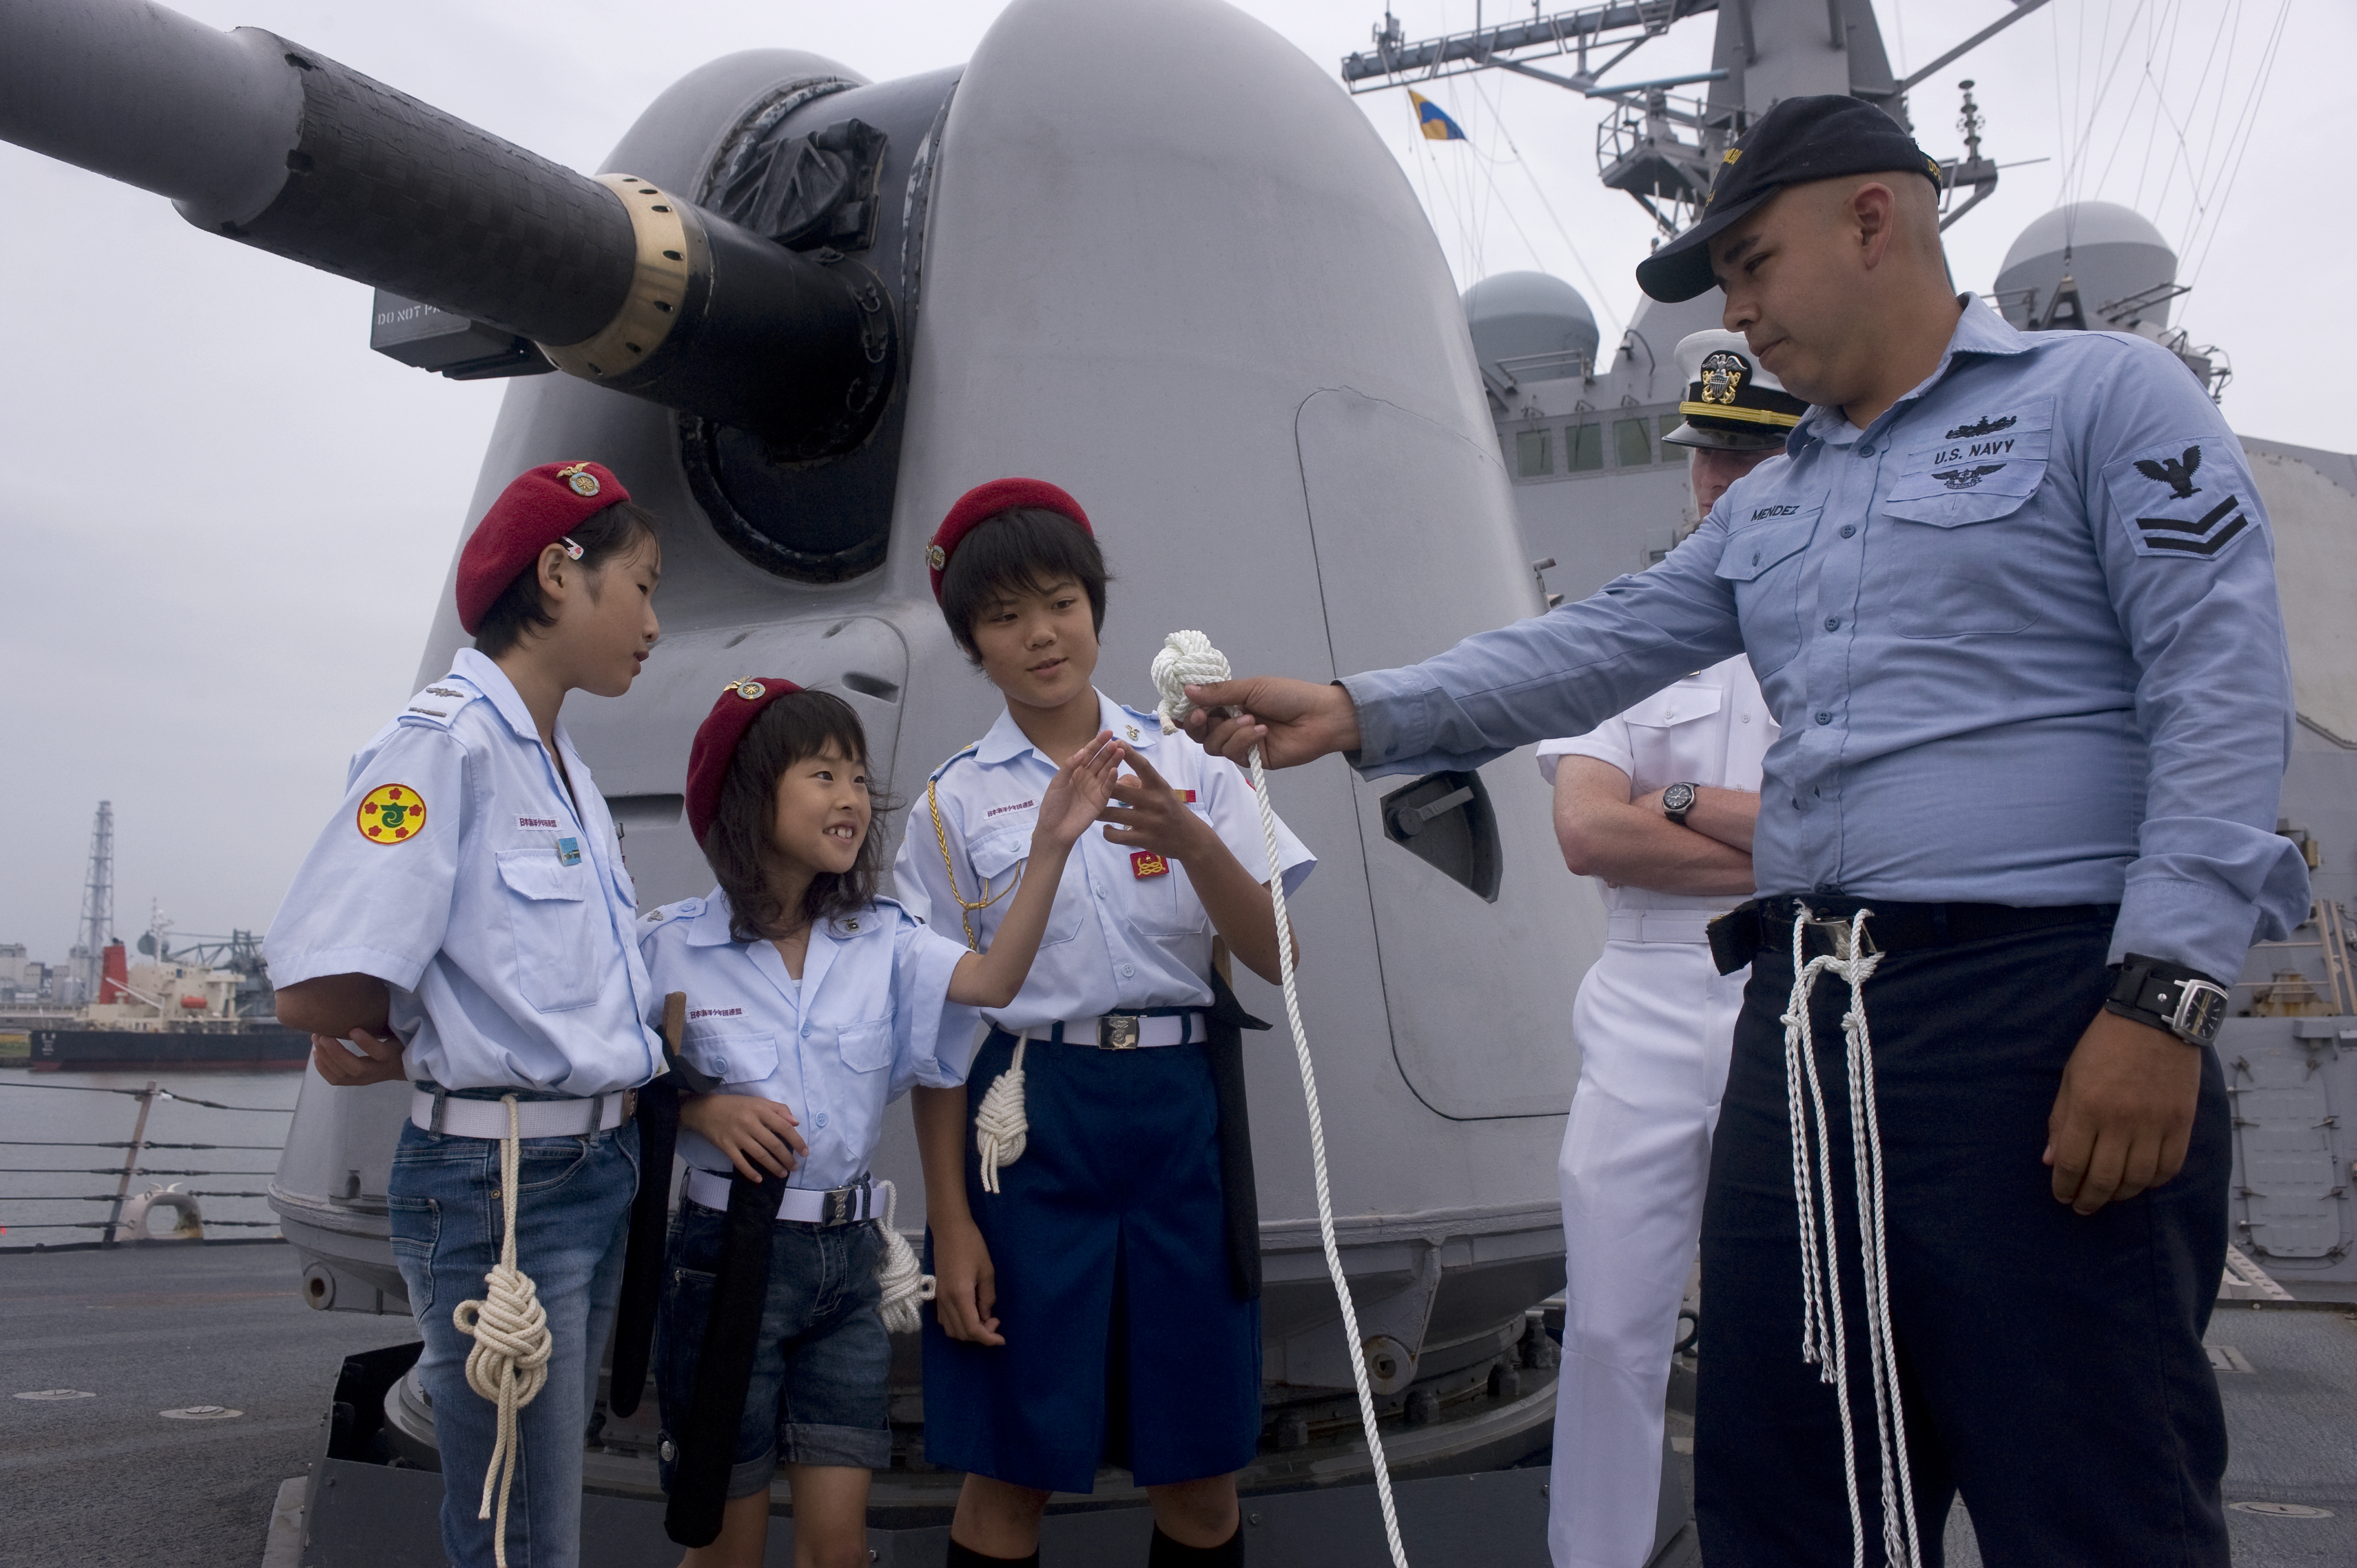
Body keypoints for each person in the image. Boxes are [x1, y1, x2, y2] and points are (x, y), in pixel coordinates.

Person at [1181, 94, 2306, 1567]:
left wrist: (2163, 996)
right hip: (1805, 1027)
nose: (1740, 308)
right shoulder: (1771, 507)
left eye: (1756, 261)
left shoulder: (2102, 400)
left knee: (2089, 1485)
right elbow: (1592, 647)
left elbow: (2219, 687)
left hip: (2040, 1013)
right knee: (1784, 1482)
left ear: (1873, 219)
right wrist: (1356, 707)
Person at [893, 479, 1315, 1568]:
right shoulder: (949, 807)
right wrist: (950, 1224)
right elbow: (936, 1038)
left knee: (1198, 1473)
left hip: (1179, 1126)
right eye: (1003, 617)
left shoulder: (1192, 765)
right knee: (1010, 1471)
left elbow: (1277, 957)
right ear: (972, 643)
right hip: (1028, 1128)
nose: (1041, 635)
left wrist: (1195, 842)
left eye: (1061, 600)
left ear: (1096, 605)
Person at [268, 461, 666, 1568]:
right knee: (516, 1531)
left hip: (593, 1170)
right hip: (504, 1192)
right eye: (641, 585)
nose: (654, 622)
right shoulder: (444, 745)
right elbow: (321, 981)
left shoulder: (559, 765)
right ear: (559, 574)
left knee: (538, 1512)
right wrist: (400, 1036)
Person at [636, 680, 1120, 1568]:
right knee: (724, 1543)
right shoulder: (665, 948)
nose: (851, 798)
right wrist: (701, 1107)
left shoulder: (884, 938)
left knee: (837, 1547)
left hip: (847, 1267)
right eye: (822, 775)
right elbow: (619, 1086)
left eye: (858, 778)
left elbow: (993, 983)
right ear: (749, 795)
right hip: (724, 1257)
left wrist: (1052, 844)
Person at [1537, 329, 1795, 1568]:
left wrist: (1673, 808)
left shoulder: (1861, 631)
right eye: (1709, 456)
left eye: (1753, 455)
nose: (1720, 481)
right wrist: (1776, 834)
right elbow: (1588, 833)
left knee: (1808, 1328)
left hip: (1805, 991)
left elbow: (1877, 846)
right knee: (1607, 1334)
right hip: (1647, 994)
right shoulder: (1630, 630)